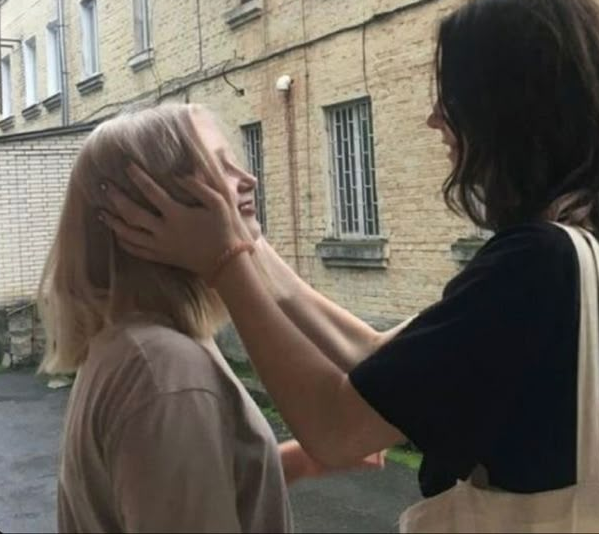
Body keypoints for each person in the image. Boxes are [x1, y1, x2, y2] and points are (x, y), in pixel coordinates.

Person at [102, 0, 599, 506]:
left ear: (509, 111)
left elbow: (335, 428)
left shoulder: (538, 264)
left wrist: (224, 260)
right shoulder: (580, 251)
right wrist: (250, 244)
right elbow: (378, 357)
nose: (435, 120)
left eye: (451, 97)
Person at [39, 104, 382, 534]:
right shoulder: (164, 369)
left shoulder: (145, 343)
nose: (248, 179)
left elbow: (176, 486)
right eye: (217, 167)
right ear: (155, 207)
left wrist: (301, 460)